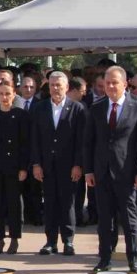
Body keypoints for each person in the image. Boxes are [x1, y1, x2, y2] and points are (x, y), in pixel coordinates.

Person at [84, 66, 137, 274]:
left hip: (127, 172)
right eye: (107, 83)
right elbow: (89, 142)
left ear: (125, 84)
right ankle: (105, 258)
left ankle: (133, 259)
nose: (111, 87)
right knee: (105, 219)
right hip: (102, 172)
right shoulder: (96, 107)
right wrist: (89, 170)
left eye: (115, 82)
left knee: (129, 219)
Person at [31, 71, 86, 255]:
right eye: (52, 85)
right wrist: (36, 164)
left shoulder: (77, 109)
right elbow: (35, 138)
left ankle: (68, 240)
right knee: (50, 203)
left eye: (59, 85)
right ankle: (50, 241)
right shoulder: (40, 108)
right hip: (46, 165)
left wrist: (78, 164)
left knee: (68, 202)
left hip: (68, 165)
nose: (55, 89)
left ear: (66, 88)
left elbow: (81, 140)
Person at [0, 81, 29, 254]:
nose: (4, 98)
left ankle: (14, 238)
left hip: (14, 166)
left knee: (14, 203)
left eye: (8, 94)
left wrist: (23, 167)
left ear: (14, 95)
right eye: (1, 94)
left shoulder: (20, 115)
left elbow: (25, 143)